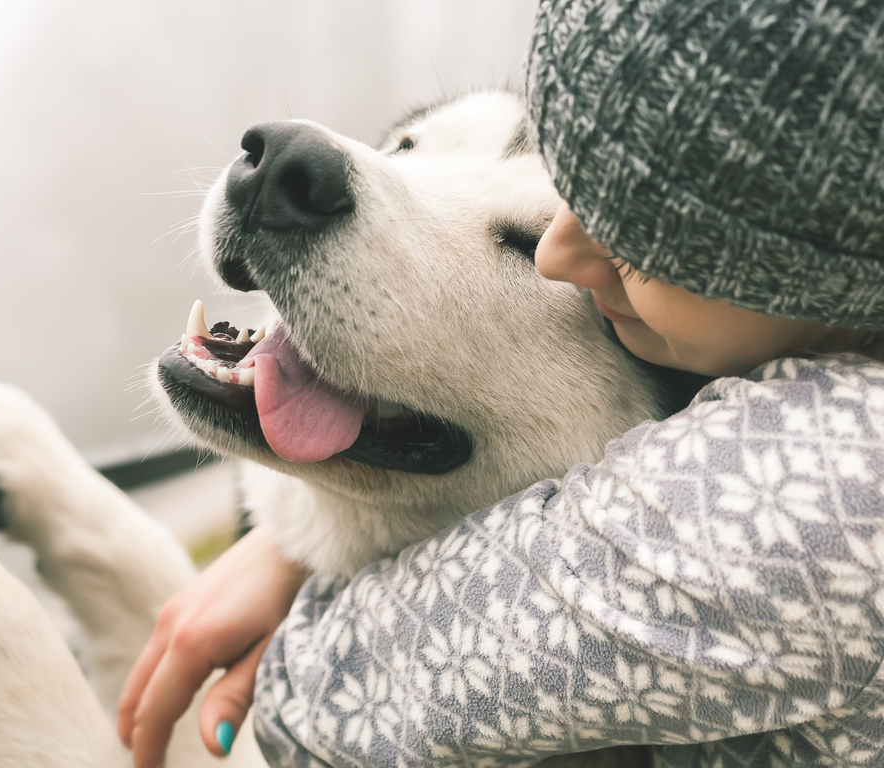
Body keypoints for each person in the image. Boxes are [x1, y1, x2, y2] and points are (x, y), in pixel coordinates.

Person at [118, 0, 884, 765]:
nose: (563, 252)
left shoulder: (829, 487)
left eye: (641, 241)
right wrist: (296, 543)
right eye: (410, 145)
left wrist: (301, 565)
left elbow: (316, 703)